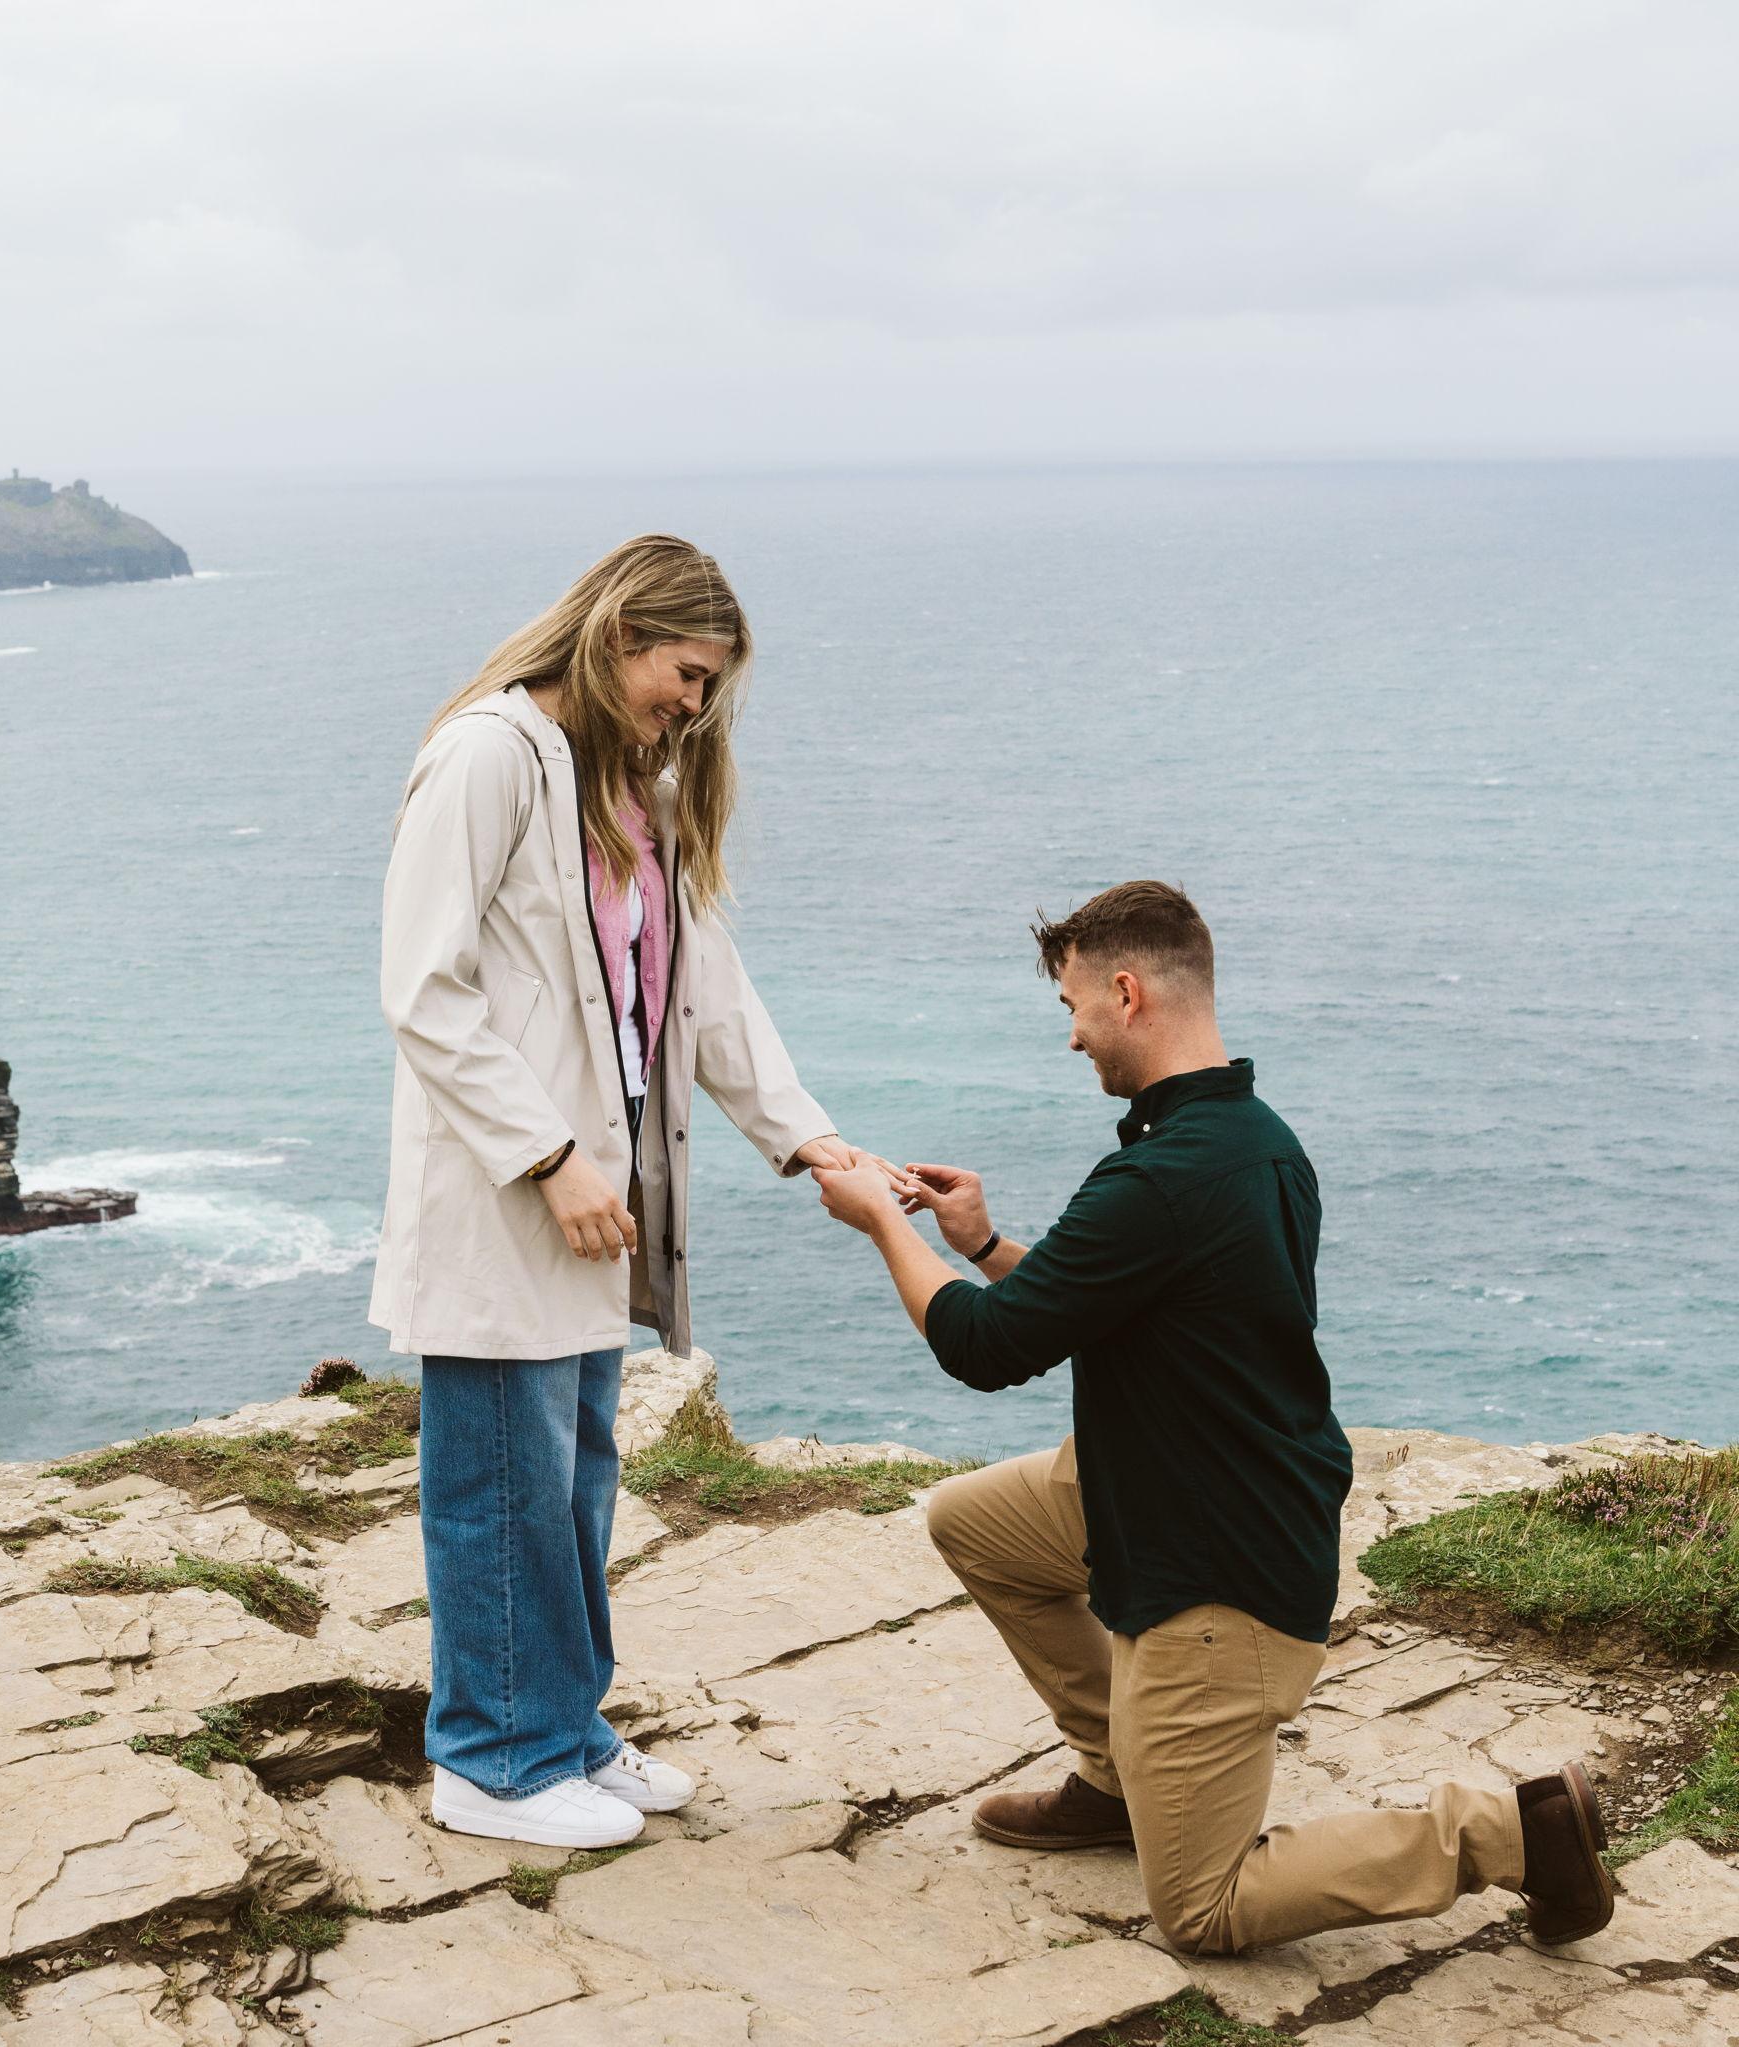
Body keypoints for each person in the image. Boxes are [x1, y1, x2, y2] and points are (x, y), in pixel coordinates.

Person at [808, 880, 1614, 1956]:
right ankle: (1114, 1776)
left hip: (1216, 1568)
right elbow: (1120, 1306)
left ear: (1126, 991)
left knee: (1201, 1909)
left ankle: (1511, 1832)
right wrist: (982, 1245)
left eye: (1072, 1008)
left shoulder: (1161, 1178)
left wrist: (878, 1225)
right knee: (974, 1522)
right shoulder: (1255, 1143)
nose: (1071, 1037)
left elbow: (985, 1348)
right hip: (1174, 1481)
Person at [371, 534, 892, 1852]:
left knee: (575, 1479)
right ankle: (491, 1757)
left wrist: (811, 1140)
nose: (696, 705)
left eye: (715, 687)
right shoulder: (489, 754)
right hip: (515, 1199)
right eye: (688, 672)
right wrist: (547, 1157)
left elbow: (703, 993)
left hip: (597, 1205)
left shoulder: (628, 787)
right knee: (498, 1486)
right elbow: (421, 989)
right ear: (617, 635)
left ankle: (565, 1725)